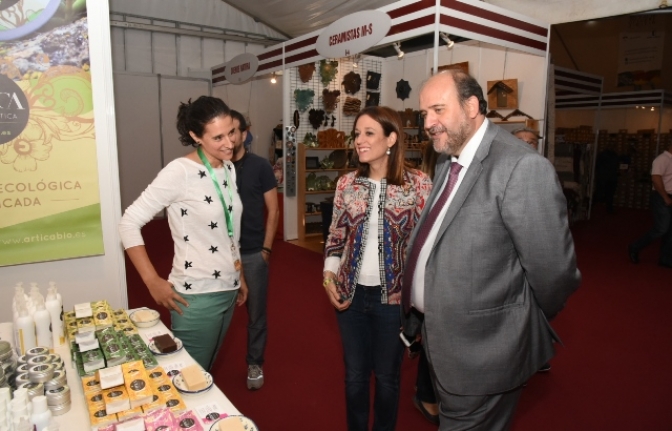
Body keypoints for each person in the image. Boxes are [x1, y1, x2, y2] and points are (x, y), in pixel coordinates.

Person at [403, 69, 580, 430]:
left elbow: (554, 273)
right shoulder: (446, 159)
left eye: (438, 109)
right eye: (424, 114)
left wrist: (513, 322)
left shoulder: (522, 167)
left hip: (485, 354)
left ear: (471, 105)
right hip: (445, 346)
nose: (429, 123)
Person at [323, 106, 432, 431]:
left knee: (387, 378)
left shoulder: (418, 185)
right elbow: (336, 236)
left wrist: (423, 301)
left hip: (394, 302)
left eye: (369, 133)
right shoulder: (347, 184)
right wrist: (328, 277)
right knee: (354, 377)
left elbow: (429, 245)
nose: (359, 140)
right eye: (357, 134)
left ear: (392, 138)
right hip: (349, 298)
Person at [119, 96, 248, 371]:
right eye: (218, 137)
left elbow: (228, 232)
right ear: (195, 136)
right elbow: (128, 222)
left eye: (232, 132)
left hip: (228, 287)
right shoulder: (180, 172)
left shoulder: (228, 168)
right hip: (197, 296)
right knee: (188, 379)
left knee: (206, 372)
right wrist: (152, 281)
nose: (230, 143)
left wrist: (239, 274)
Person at [229, 109, 279, 389]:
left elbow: (273, 210)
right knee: (220, 312)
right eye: (223, 132)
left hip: (253, 252)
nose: (229, 137)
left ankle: (254, 363)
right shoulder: (215, 167)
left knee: (256, 314)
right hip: (219, 255)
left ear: (244, 134)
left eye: (233, 131)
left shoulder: (260, 166)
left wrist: (266, 250)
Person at [628, 140, 672, 268]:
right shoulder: (662, 159)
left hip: (669, 195)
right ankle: (634, 247)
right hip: (662, 196)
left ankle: (666, 259)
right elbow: (655, 179)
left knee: (670, 231)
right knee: (661, 228)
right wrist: (665, 197)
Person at [594, 142, 620, 214]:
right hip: (611, 177)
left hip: (602, 177)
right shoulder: (614, 155)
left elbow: (597, 166)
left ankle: (592, 205)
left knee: (599, 193)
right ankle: (609, 208)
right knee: (610, 194)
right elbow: (616, 166)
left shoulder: (601, 154)